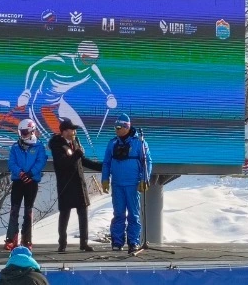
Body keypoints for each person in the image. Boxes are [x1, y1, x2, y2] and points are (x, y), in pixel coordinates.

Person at [17, 41, 118, 152]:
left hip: (59, 102)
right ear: (79, 55)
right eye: (86, 58)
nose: (89, 63)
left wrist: (110, 96)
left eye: (93, 60)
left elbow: (102, 83)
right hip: (42, 105)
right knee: (56, 140)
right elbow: (34, 67)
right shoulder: (61, 61)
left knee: (82, 135)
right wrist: (26, 92)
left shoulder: (91, 69)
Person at [48, 118, 102, 252]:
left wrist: (101, 167)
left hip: (78, 183)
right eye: (71, 130)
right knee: (65, 214)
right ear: (64, 131)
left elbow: (82, 160)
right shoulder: (57, 145)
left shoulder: (75, 142)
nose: (74, 132)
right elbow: (62, 163)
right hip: (66, 184)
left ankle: (84, 243)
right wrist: (77, 154)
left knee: (83, 213)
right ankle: (62, 244)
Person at [101, 114, 152, 253]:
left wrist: (144, 179)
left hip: (133, 184)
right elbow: (106, 162)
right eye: (115, 127)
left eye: (119, 127)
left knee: (133, 215)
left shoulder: (139, 142)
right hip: (117, 184)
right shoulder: (112, 143)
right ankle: (117, 242)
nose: (116, 130)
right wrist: (105, 179)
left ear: (127, 127)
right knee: (118, 214)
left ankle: (133, 242)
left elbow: (147, 161)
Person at [5, 119, 47, 251]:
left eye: (25, 132)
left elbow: (41, 161)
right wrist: (20, 173)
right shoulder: (15, 147)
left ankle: (26, 239)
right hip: (18, 181)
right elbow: (11, 163)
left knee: (28, 211)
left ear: (32, 131)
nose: (22, 135)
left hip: (31, 181)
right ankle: (11, 239)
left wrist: (30, 173)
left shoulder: (39, 146)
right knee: (14, 210)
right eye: (21, 132)